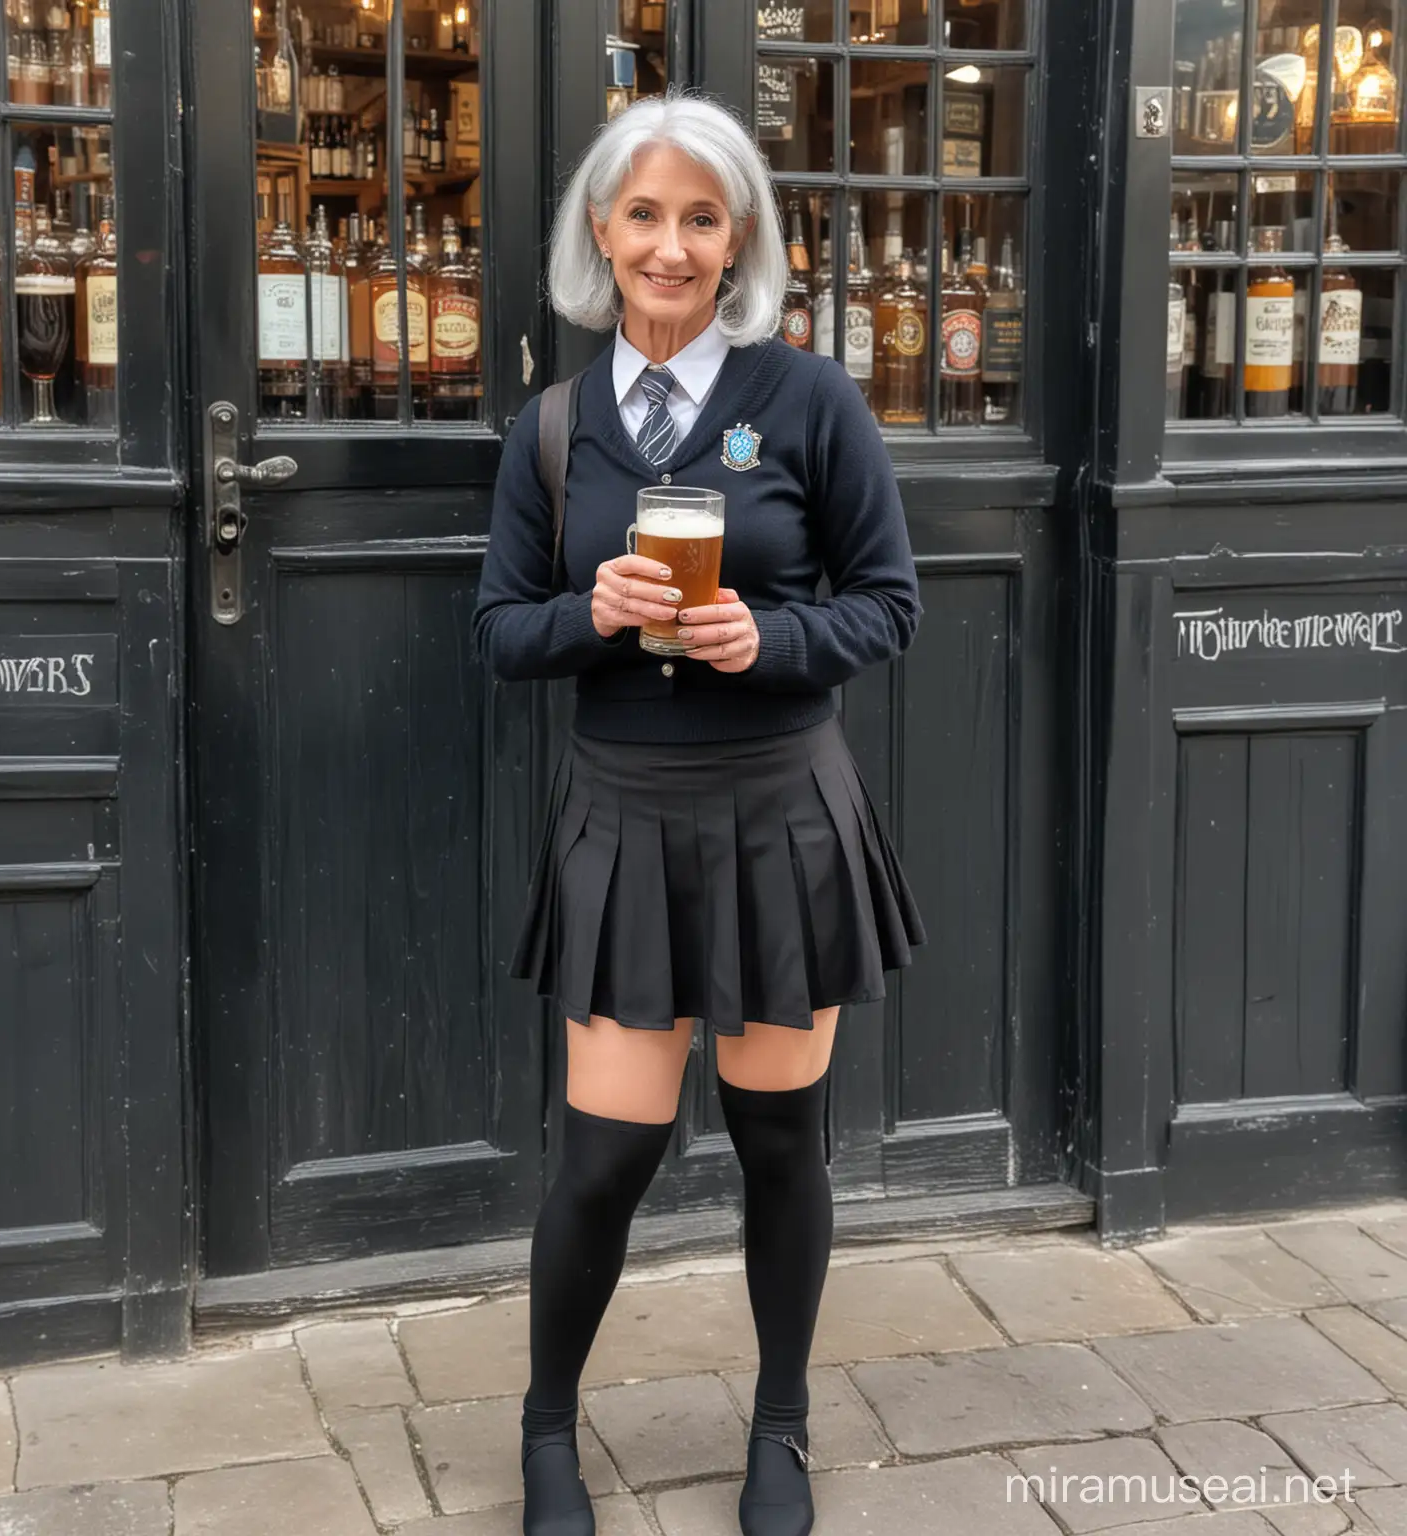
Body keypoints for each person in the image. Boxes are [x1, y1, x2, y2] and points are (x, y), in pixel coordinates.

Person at [471, 88, 924, 1536]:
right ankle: (549, 1435)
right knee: (604, 1155)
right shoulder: (552, 430)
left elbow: (888, 603)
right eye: (645, 215)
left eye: (701, 219)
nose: (670, 247)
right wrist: (588, 616)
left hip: (783, 808)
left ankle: (779, 1428)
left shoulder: (808, 401)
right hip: (626, 814)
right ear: (601, 234)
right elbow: (498, 629)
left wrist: (769, 644)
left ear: (739, 244)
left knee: (782, 1137)